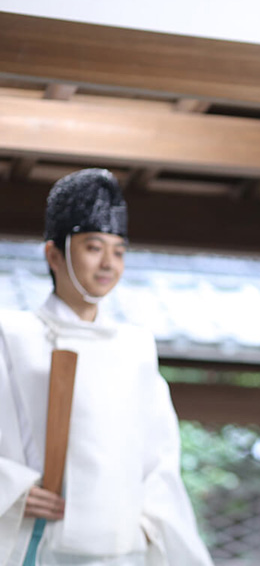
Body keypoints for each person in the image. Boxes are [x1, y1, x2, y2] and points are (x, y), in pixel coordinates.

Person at [0, 169, 213, 565]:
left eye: (118, 252)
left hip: (122, 548)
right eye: (94, 247)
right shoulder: (13, 336)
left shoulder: (135, 347)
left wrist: (146, 526)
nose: (108, 264)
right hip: (36, 541)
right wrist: (9, 489)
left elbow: (160, 457)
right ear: (53, 254)